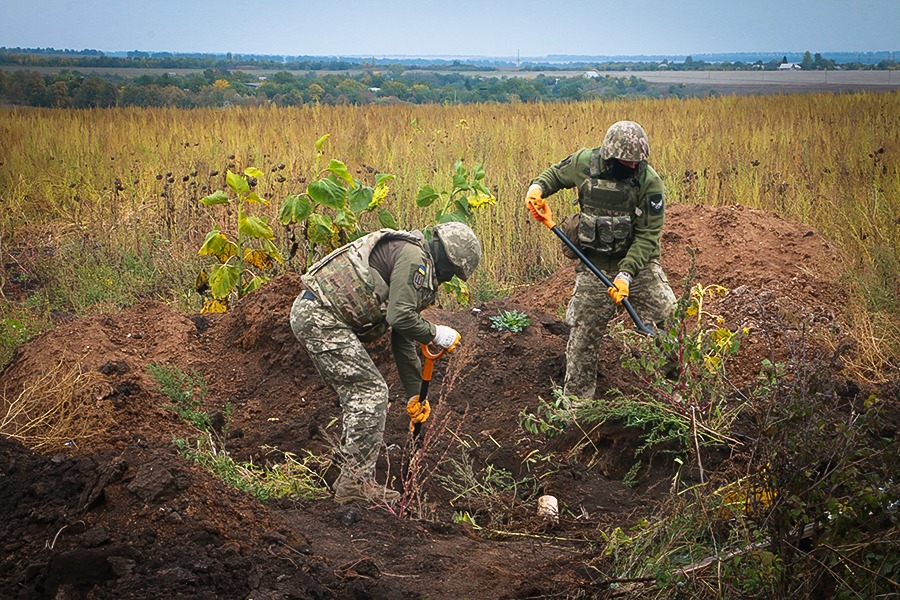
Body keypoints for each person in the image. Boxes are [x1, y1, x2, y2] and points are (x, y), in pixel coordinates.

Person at [290, 222, 482, 505]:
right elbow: (401, 317)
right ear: (444, 255)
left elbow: (402, 337)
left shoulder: (416, 261)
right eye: (451, 271)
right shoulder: (414, 258)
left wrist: (416, 392)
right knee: (369, 392)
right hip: (321, 316)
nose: (448, 278)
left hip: (322, 316)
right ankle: (354, 484)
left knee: (359, 395)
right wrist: (436, 333)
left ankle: (347, 472)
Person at [525, 120, 676, 399]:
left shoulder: (649, 182)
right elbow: (554, 175)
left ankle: (676, 392)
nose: (633, 166)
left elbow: (648, 236)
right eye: (626, 162)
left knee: (672, 321)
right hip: (594, 269)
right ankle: (577, 405)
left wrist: (626, 275)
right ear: (610, 156)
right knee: (582, 336)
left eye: (637, 161)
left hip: (639, 269)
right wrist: (536, 190)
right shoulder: (585, 163)